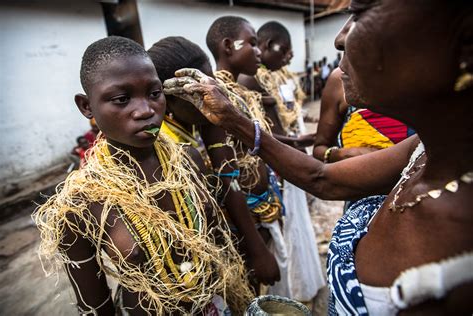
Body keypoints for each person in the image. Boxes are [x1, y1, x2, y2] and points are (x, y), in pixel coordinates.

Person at [163, 1, 473, 314]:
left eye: (361, 11)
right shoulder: (419, 151)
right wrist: (234, 120)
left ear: (465, 45)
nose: (340, 38)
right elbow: (321, 178)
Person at [33, 36, 253, 315]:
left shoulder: (189, 160)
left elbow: (219, 245)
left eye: (154, 93)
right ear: (86, 106)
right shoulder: (79, 203)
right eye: (122, 99)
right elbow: (95, 307)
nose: (146, 110)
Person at [147, 36, 280, 287]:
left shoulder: (201, 121)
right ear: (169, 100)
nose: (213, 94)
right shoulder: (170, 148)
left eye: (212, 82)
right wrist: (256, 250)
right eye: (197, 92)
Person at [238, 21, 324, 301]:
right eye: (283, 50)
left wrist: (299, 138)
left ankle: (300, 286)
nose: (288, 57)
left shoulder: (275, 76)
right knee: (283, 229)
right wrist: (295, 144)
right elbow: (261, 132)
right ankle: (287, 293)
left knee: (295, 224)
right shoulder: (249, 80)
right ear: (264, 46)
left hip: (286, 150)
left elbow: (285, 117)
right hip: (273, 161)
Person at [205, 16, 286, 294]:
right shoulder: (217, 98)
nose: (259, 51)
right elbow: (226, 172)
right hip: (244, 219)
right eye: (251, 43)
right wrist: (255, 245)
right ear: (228, 46)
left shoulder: (241, 93)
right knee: (250, 290)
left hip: (263, 207)